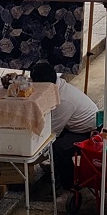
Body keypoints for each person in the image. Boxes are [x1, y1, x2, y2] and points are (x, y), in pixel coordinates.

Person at [30, 62, 96, 190]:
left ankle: (68, 183)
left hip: (89, 133)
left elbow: (53, 132)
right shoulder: (58, 85)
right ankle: (57, 168)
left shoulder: (63, 100)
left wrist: (35, 153)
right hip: (76, 126)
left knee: (58, 147)